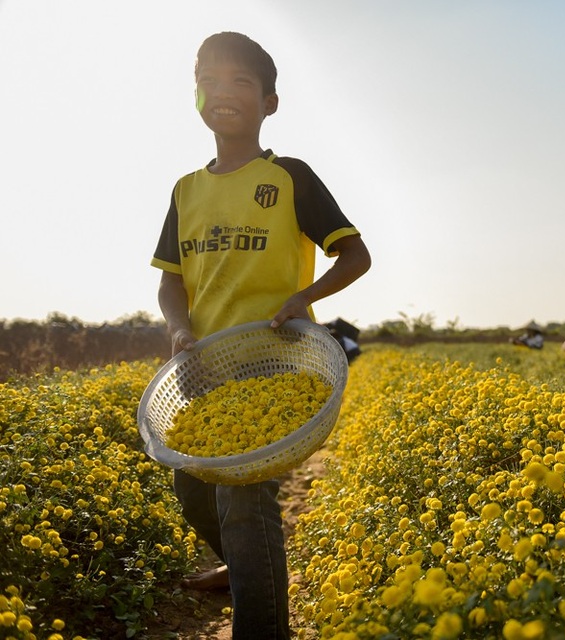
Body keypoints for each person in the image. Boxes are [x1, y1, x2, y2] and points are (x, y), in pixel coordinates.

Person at [150, 32, 371, 640]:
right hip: (207, 366)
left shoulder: (290, 177)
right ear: (197, 95)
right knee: (192, 488)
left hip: (277, 361)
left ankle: (261, 619)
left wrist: (305, 297)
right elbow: (171, 283)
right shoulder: (186, 190)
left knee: (245, 503)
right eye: (212, 82)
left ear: (269, 101)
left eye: (241, 82)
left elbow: (355, 256)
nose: (225, 93)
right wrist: (178, 325)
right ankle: (240, 564)